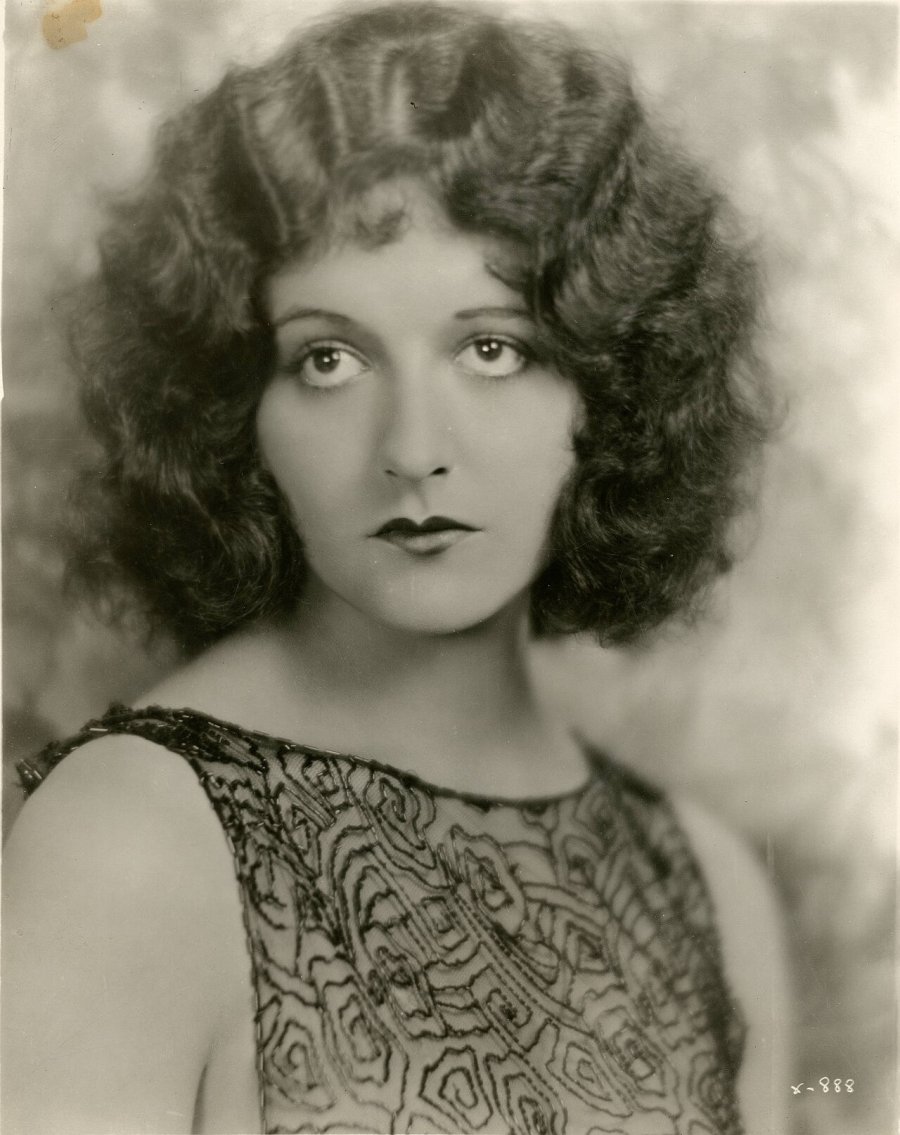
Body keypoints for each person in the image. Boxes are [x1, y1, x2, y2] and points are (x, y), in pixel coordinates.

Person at [2, 2, 789, 1133]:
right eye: (328, 358)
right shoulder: (132, 844)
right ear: (234, 414)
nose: (413, 447)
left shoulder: (708, 887)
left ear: (610, 389)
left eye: (492, 348)